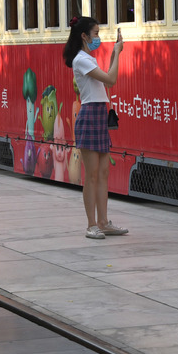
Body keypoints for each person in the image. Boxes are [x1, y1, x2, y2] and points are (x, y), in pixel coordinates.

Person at [62, 16, 128, 240]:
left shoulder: (87, 58)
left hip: (98, 114)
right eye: (96, 33)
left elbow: (106, 81)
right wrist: (117, 53)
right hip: (90, 115)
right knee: (90, 176)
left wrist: (112, 55)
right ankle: (92, 224)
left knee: (103, 173)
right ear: (84, 36)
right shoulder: (82, 60)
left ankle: (103, 222)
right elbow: (111, 80)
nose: (98, 37)